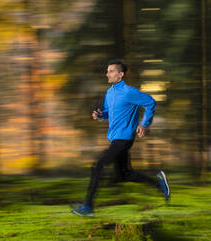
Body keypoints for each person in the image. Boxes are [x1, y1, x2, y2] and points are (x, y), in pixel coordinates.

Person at [72, 59, 170, 217]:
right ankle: (158, 184)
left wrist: (144, 124)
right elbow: (108, 112)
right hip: (115, 138)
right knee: (124, 174)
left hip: (124, 138)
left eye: (111, 71)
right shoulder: (109, 93)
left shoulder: (129, 92)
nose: (107, 74)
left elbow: (151, 102)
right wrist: (100, 115)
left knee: (98, 165)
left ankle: (88, 206)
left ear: (120, 74)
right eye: (107, 71)